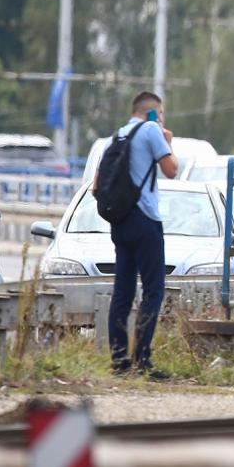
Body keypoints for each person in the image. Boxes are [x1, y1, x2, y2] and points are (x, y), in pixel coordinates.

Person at [101, 92, 179, 377]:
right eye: (161, 114)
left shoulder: (117, 136)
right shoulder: (150, 130)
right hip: (145, 220)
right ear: (152, 113)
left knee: (123, 290)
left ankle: (119, 360)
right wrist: (167, 141)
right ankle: (143, 361)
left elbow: (98, 183)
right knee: (153, 290)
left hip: (120, 220)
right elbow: (171, 170)